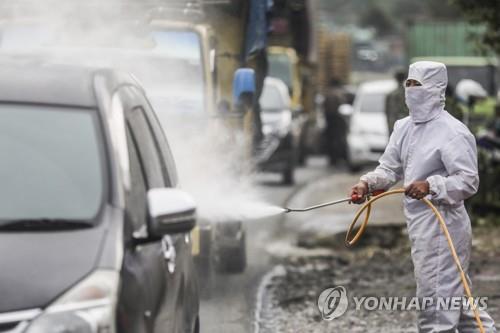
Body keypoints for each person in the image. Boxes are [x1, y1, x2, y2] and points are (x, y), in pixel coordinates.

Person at [349, 61, 496, 332]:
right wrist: (366, 184)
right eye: (409, 83)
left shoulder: (453, 132)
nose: (412, 90)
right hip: (420, 225)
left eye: (419, 84)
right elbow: (389, 168)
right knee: (458, 305)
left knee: (437, 307)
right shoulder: (403, 127)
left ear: (437, 89)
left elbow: (468, 181)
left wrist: (431, 186)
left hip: (444, 226)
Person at [324, 77, 348, 166]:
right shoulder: (340, 93)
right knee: (340, 139)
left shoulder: (328, 93)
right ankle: (340, 158)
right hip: (339, 120)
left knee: (331, 140)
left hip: (329, 120)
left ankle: (333, 159)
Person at [385, 67, 408, 134]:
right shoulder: (408, 94)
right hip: (405, 126)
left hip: (394, 125)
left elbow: (387, 113)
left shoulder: (390, 94)